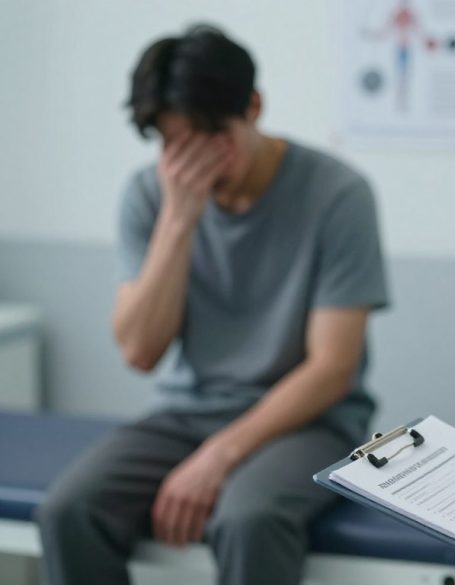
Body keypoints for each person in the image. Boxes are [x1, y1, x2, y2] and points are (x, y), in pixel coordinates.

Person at [35, 24, 389, 585]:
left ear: (254, 106)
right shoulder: (150, 195)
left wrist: (219, 456)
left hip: (311, 424)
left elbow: (332, 369)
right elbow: (139, 352)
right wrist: (178, 222)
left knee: (249, 518)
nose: (195, 162)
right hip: (185, 413)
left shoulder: (337, 194)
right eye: (175, 144)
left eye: (210, 137)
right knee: (68, 511)